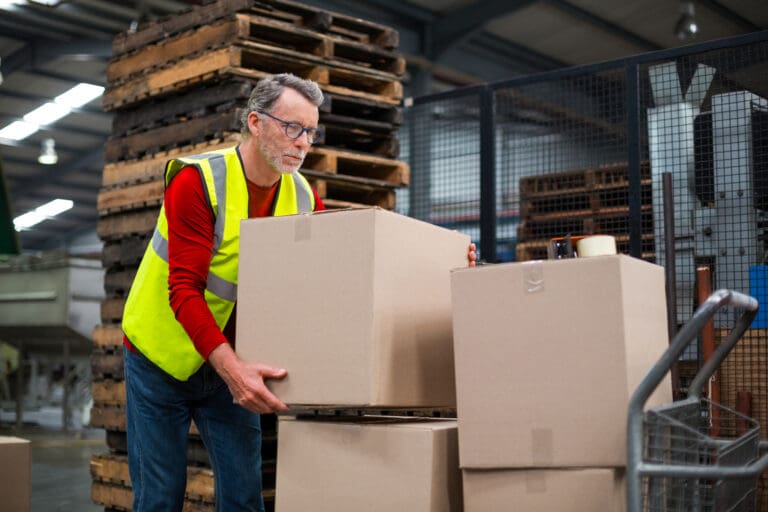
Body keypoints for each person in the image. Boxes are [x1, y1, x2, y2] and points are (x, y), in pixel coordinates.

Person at [121, 73, 476, 512]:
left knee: (243, 497)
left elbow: (344, 274)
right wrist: (232, 368)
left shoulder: (304, 196)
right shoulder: (198, 182)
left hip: (235, 360)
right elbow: (184, 290)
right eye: (292, 127)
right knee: (159, 498)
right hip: (161, 356)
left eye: (310, 131)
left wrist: (441, 266)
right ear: (255, 122)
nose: (303, 142)